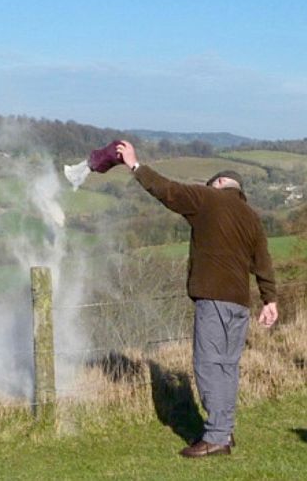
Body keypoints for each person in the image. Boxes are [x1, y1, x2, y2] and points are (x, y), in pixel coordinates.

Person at [116, 140, 278, 458]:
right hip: (239, 302)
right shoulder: (252, 217)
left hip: (214, 297)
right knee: (228, 367)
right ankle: (224, 430)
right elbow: (263, 261)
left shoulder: (207, 198)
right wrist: (269, 299)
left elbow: (168, 191)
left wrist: (135, 165)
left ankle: (216, 437)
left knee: (207, 365)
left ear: (218, 183)